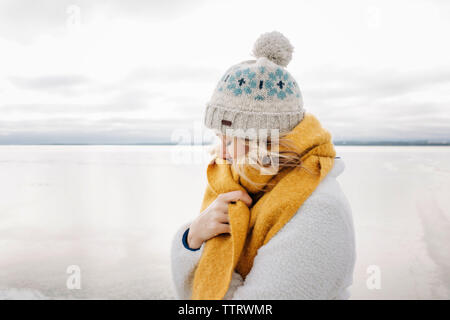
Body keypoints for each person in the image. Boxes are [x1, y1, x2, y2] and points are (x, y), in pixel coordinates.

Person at [170, 31, 356, 300]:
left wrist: (202, 247)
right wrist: (192, 238)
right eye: (218, 138)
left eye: (230, 141)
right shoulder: (242, 186)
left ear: (266, 141)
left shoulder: (318, 210)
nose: (220, 153)